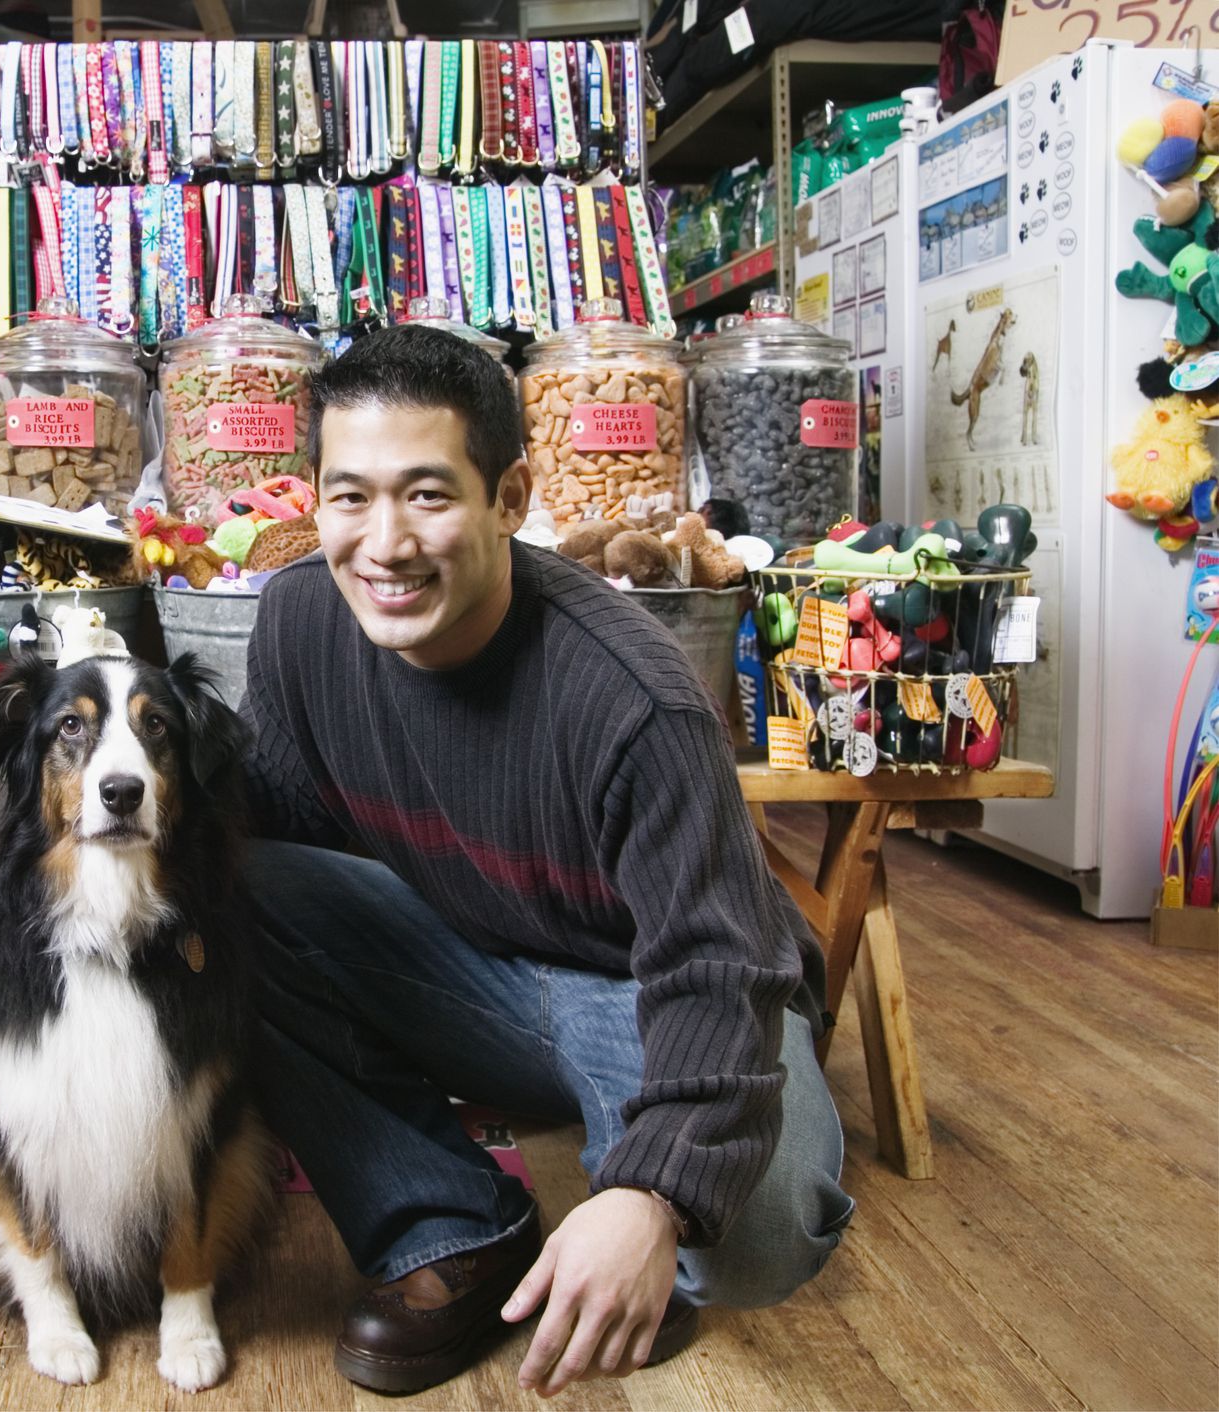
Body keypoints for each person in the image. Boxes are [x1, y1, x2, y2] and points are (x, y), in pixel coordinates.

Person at [241, 325, 854, 1397]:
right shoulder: (298, 623)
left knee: (752, 1239)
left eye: (426, 493)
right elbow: (287, 834)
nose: (382, 543)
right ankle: (449, 1221)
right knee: (213, 888)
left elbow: (716, 965)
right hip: (471, 963)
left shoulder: (631, 699)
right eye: (349, 497)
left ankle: (626, 1192)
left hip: (652, 990)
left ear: (510, 496)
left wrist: (652, 1196)